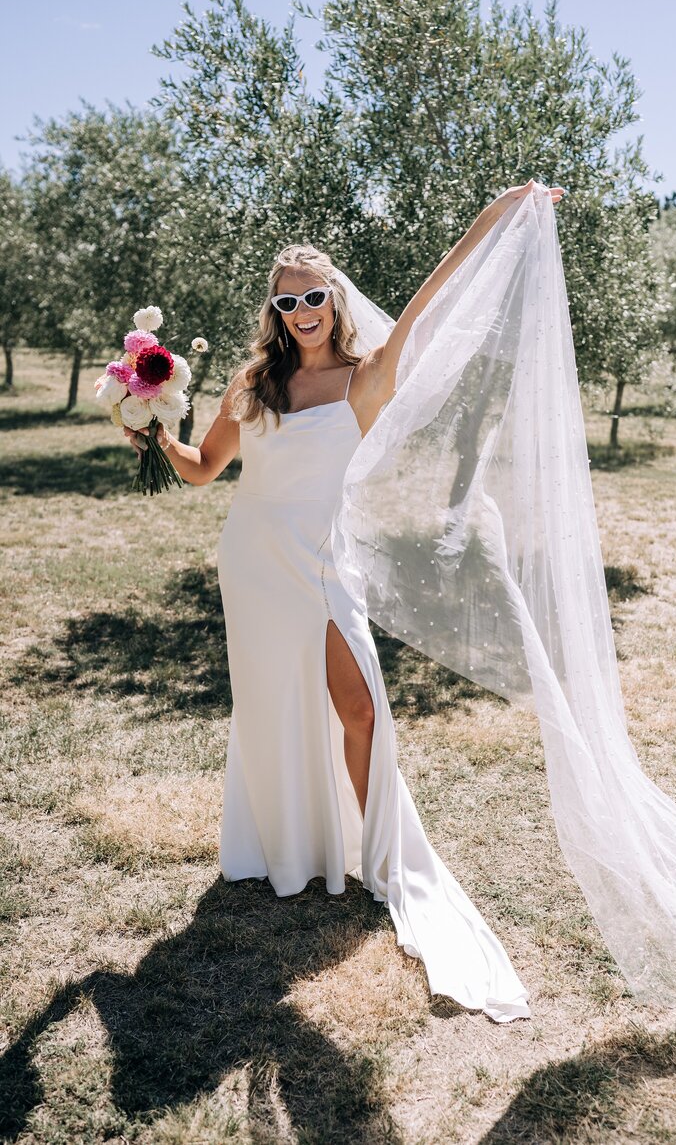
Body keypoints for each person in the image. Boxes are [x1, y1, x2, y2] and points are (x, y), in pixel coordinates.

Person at [125, 179, 565, 1023]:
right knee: (274, 703)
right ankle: (285, 845)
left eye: (315, 295)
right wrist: (147, 426)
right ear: (276, 310)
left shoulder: (368, 377)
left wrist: (497, 213)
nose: (303, 310)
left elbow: (433, 300)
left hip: (325, 562)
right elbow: (202, 469)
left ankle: (370, 853)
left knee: (355, 703)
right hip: (253, 559)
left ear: (335, 298)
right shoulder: (252, 383)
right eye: (287, 301)